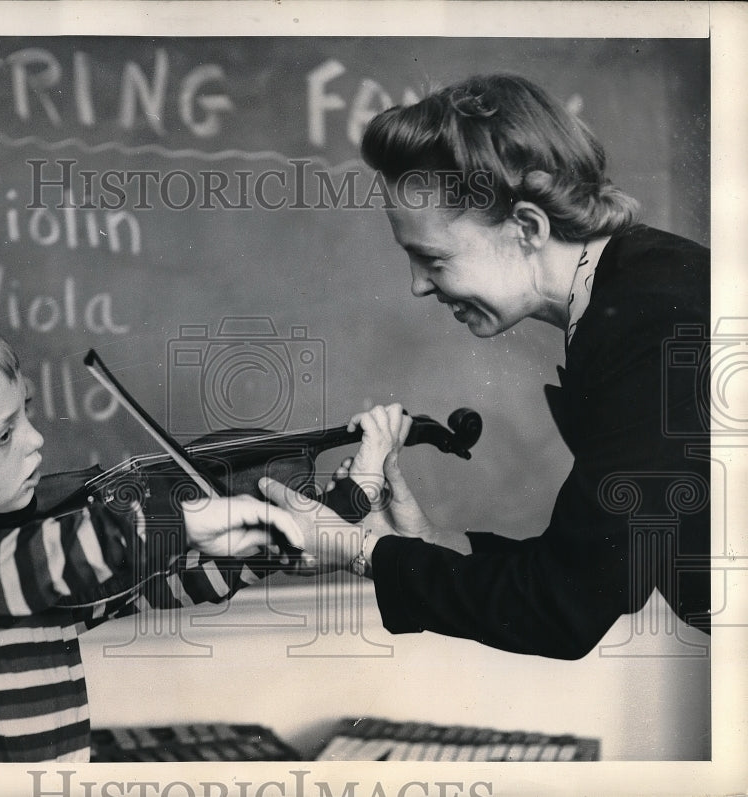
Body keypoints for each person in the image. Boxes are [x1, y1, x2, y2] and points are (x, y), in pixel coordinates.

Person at [260, 73, 710, 660]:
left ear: (527, 228)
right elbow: (587, 570)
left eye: (433, 258)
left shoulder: (652, 323)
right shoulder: (628, 294)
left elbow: (562, 608)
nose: (418, 286)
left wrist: (356, 550)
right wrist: (425, 542)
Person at [0, 306, 305, 762]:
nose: (36, 439)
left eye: (26, 412)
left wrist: (278, 545)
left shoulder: (35, 548)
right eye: (3, 435)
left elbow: (150, 586)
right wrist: (163, 523)